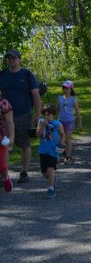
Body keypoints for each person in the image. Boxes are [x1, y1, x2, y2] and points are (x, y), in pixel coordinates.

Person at [0, 49, 42, 183]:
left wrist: (38, 114)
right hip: (4, 115)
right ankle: (3, 175)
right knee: (3, 145)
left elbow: (36, 95)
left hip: (23, 114)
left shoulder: (27, 74)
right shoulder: (3, 74)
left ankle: (24, 172)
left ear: (19, 59)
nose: (11, 60)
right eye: (9, 58)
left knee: (24, 143)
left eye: (13, 58)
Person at [36, 104, 64, 198]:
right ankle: (52, 180)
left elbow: (62, 134)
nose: (47, 117)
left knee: (50, 169)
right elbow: (37, 134)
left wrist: (61, 142)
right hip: (43, 150)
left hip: (53, 150)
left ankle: (51, 189)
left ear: (53, 115)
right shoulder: (41, 122)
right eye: (45, 115)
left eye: (49, 115)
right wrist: (43, 126)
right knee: (44, 172)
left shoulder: (57, 124)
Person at [58, 81, 82, 163]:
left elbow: (78, 112)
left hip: (69, 121)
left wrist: (79, 123)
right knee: (60, 138)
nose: (65, 90)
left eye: (67, 88)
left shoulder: (73, 100)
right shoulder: (60, 98)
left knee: (68, 138)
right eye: (64, 88)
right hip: (60, 121)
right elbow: (56, 109)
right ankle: (62, 152)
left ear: (71, 89)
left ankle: (68, 156)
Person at [0, 94, 14, 193]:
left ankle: (5, 175)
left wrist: (11, 137)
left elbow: (10, 122)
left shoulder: (3, 103)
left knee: (2, 162)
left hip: (1, 137)